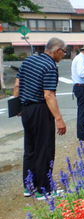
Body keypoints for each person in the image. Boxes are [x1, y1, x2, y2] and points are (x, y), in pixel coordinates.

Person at [13, 37, 67, 199]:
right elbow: (49, 94)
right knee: (44, 149)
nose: (64, 55)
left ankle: (29, 186)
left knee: (30, 148)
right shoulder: (50, 66)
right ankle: (44, 189)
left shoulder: (30, 60)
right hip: (41, 110)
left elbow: (17, 84)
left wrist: (17, 105)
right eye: (64, 52)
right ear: (57, 51)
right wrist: (59, 119)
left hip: (26, 110)